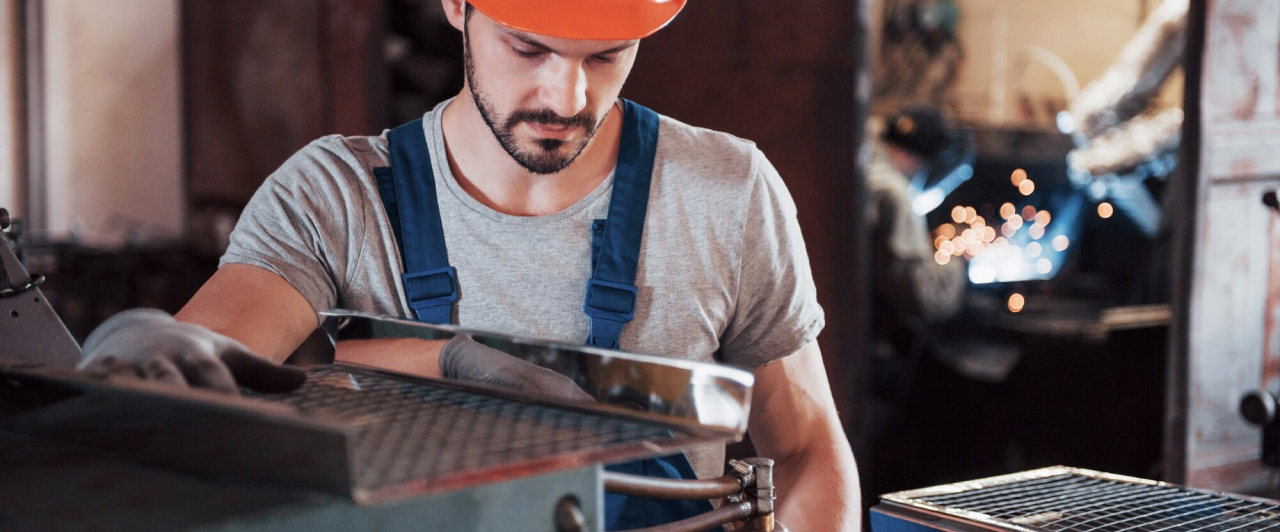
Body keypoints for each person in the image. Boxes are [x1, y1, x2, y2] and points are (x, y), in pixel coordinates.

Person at [78, 1, 860, 530]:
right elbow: (209, 359)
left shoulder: (726, 192)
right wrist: (147, 345)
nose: (566, 96)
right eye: (528, 47)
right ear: (457, 5)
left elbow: (804, 450)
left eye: (606, 56)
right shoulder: (336, 197)